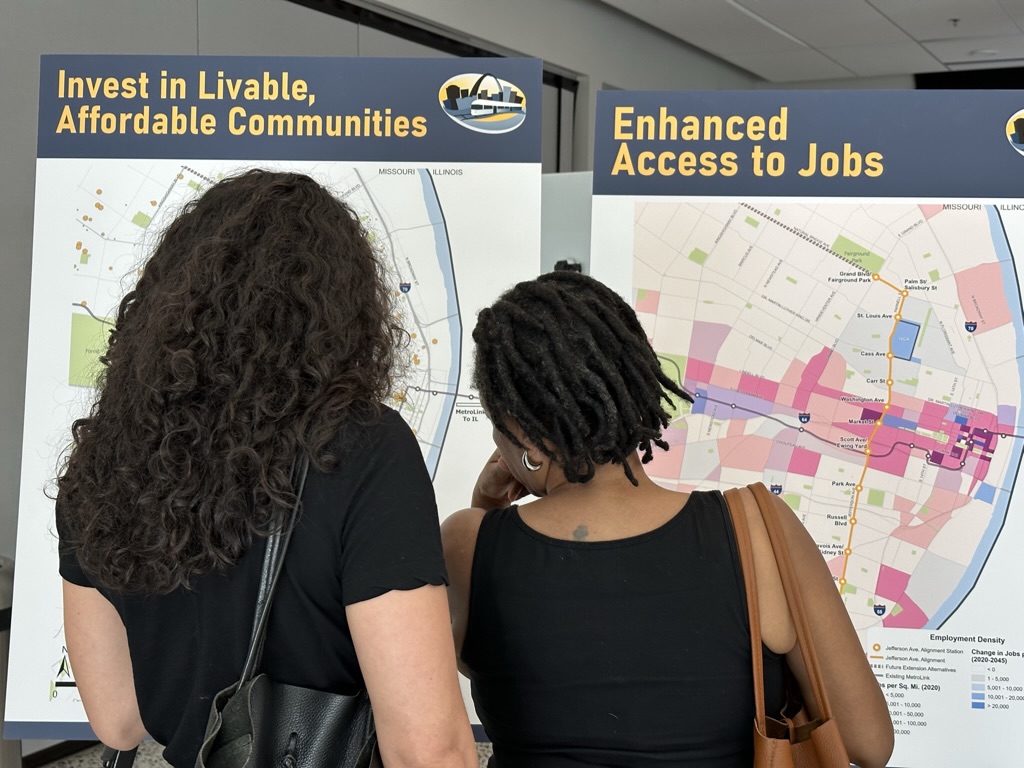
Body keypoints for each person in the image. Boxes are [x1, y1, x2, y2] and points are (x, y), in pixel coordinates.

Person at [55, 170, 478, 768]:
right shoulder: (364, 449)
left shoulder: (105, 459)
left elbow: (118, 721)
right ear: (343, 312)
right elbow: (429, 749)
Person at [443, 271, 894, 768]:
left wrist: (485, 513)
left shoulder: (470, 544)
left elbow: (476, 661)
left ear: (521, 435)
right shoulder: (759, 528)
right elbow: (868, 742)